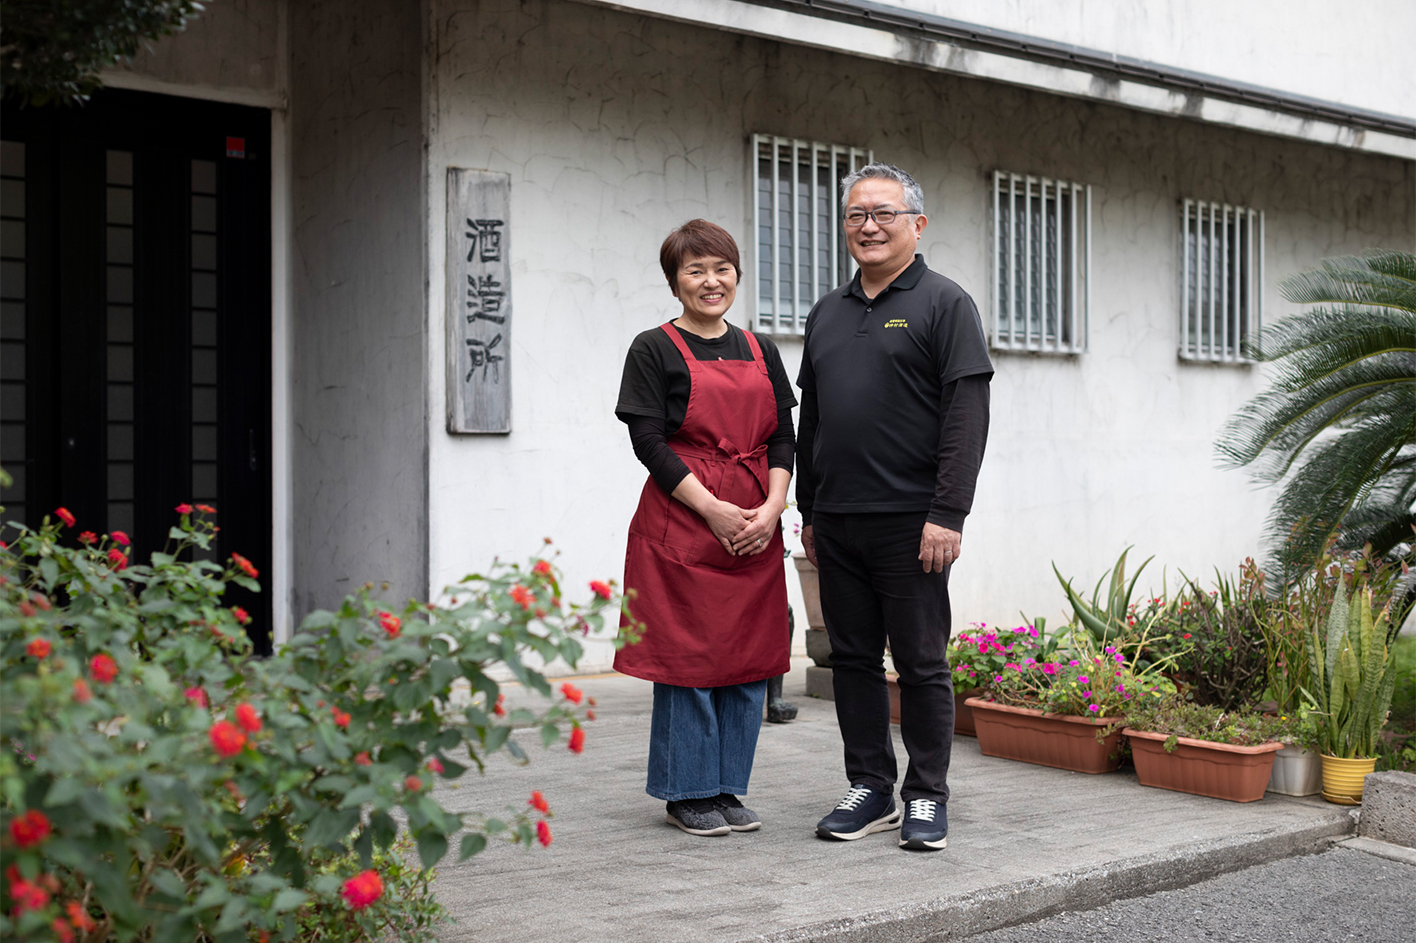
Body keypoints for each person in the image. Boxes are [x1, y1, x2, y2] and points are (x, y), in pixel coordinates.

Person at [796, 163, 992, 851]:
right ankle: (871, 785)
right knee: (850, 660)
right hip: (837, 521)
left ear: (917, 224)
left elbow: (966, 417)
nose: (869, 226)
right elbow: (813, 420)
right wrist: (810, 511)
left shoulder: (945, 303)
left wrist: (949, 512)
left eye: (883, 213)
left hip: (913, 522)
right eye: (856, 215)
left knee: (920, 662)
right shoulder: (827, 311)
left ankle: (927, 793)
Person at [615, 219, 796, 837]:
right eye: (695, 270)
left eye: (721, 269)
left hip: (755, 519)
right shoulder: (653, 347)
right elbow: (649, 442)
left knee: (747, 656)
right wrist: (713, 509)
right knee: (688, 659)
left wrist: (772, 509)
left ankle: (726, 786)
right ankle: (687, 793)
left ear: (737, 276)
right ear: (675, 282)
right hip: (685, 519)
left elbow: (782, 435)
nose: (710, 281)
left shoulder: (762, 349)